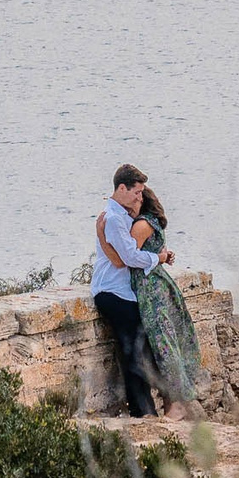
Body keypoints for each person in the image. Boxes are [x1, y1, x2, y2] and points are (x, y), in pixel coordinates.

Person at [90, 163, 169, 417]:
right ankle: (142, 411)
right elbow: (129, 257)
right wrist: (159, 257)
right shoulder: (112, 218)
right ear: (122, 188)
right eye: (136, 192)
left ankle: (145, 408)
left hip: (124, 292)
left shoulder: (122, 216)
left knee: (137, 348)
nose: (140, 197)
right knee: (132, 349)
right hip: (113, 292)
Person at [125, 186, 204, 418]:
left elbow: (128, 257)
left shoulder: (141, 224)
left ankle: (177, 404)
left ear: (143, 201)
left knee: (164, 346)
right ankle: (175, 403)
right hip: (159, 285)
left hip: (152, 291)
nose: (132, 202)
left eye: (137, 197)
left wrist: (102, 235)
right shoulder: (151, 222)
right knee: (169, 343)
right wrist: (162, 256)